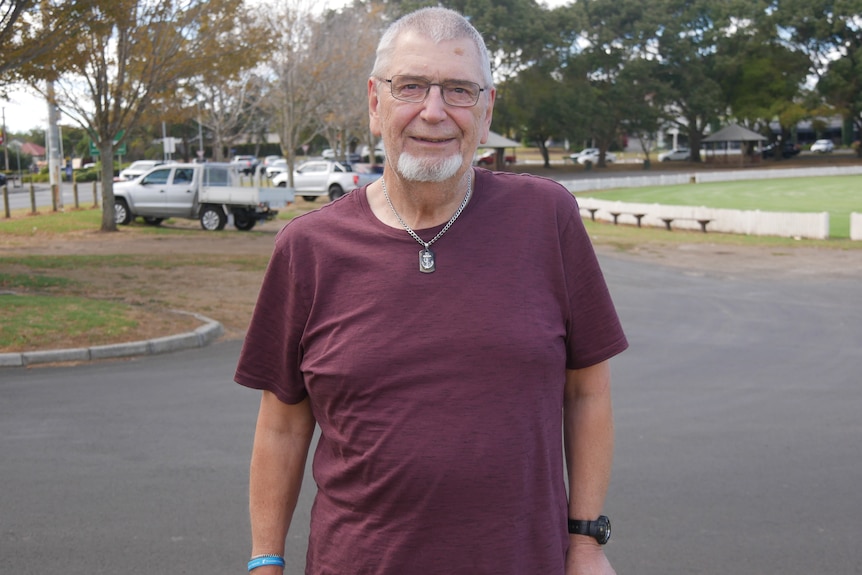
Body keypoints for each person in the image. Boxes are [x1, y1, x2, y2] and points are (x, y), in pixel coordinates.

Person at [235, 7, 628, 575]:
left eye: (460, 90)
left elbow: (587, 391)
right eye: (411, 86)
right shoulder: (309, 248)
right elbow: (282, 423)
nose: (434, 111)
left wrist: (587, 541)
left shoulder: (546, 219)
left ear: (486, 109)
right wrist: (265, 562)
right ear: (375, 103)